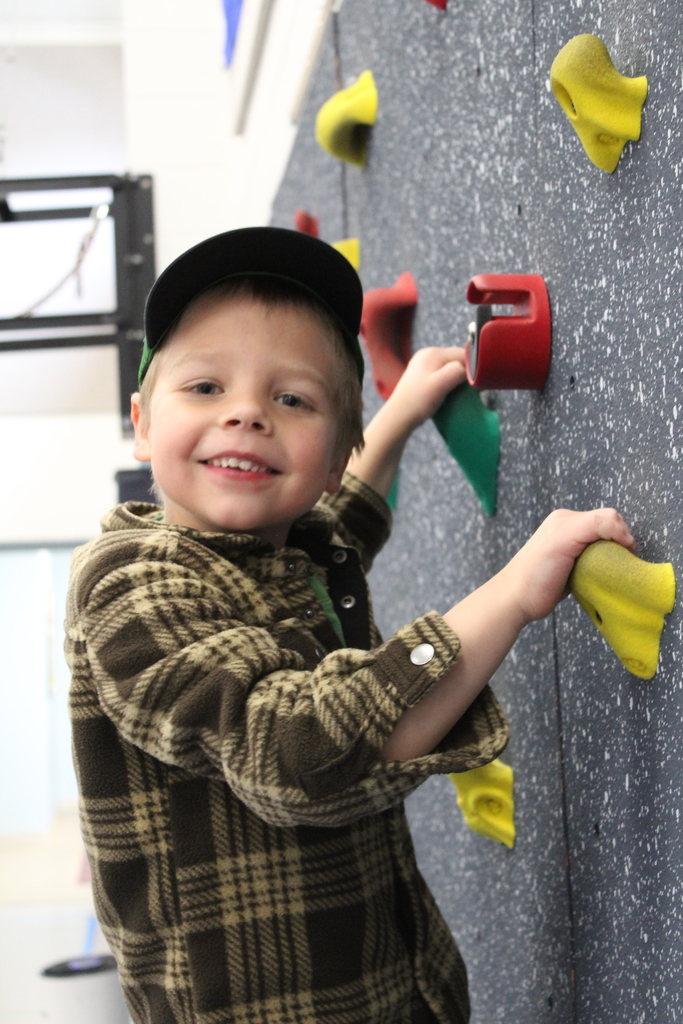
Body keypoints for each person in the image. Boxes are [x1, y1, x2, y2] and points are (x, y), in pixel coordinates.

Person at [65, 227, 635, 1024]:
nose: (245, 416)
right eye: (203, 388)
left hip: (390, 986)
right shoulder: (128, 586)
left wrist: (392, 420)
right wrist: (513, 592)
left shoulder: (270, 544)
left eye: (291, 399)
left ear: (334, 454)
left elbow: (327, 546)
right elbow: (293, 749)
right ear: (141, 422)